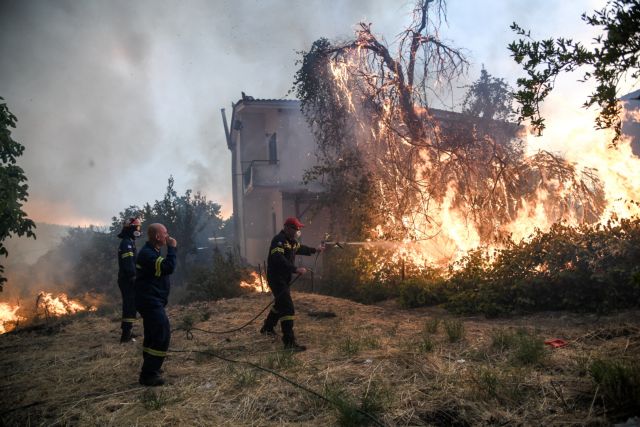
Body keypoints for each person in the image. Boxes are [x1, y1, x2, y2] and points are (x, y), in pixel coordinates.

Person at [260, 217, 323, 351]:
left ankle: (267, 328)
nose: (297, 231)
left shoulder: (292, 242)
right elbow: (278, 258)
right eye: (296, 228)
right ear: (287, 228)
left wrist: (315, 250)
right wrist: (295, 269)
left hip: (284, 278)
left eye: (299, 229)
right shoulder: (279, 241)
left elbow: (301, 249)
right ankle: (289, 343)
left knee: (280, 303)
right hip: (276, 278)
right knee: (287, 307)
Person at [134, 223, 177, 386]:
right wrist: (172, 248)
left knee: (152, 335)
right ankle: (149, 374)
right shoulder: (147, 254)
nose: (168, 236)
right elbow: (168, 267)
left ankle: (150, 367)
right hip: (149, 301)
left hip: (151, 300)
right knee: (162, 334)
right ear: (158, 236)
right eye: (165, 233)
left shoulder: (153, 251)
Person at [116, 217, 142, 343]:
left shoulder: (129, 242)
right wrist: (133, 277)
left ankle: (128, 331)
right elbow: (128, 263)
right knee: (129, 306)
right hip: (127, 280)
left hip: (128, 279)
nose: (139, 230)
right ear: (132, 229)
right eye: (137, 227)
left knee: (132, 305)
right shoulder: (126, 243)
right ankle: (125, 336)